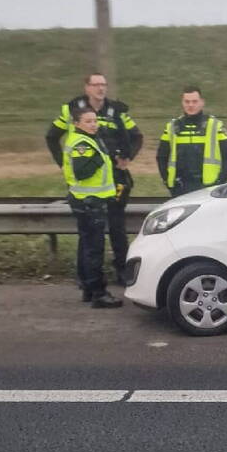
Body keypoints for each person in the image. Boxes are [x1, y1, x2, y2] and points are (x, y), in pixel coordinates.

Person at [46, 73, 143, 284]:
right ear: (87, 87)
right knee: (88, 230)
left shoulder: (116, 110)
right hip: (85, 180)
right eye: (96, 85)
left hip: (114, 178)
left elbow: (137, 136)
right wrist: (63, 163)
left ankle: (121, 271)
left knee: (117, 225)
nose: (100, 89)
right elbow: (51, 136)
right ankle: (85, 276)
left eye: (103, 85)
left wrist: (127, 157)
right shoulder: (71, 109)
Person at [63, 106, 123, 309]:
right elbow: (82, 172)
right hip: (89, 202)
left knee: (86, 246)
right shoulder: (82, 143)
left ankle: (88, 289)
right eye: (88, 121)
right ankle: (99, 293)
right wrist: (99, 157)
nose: (93, 124)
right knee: (94, 249)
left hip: (87, 200)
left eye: (95, 120)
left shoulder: (89, 140)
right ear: (77, 124)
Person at [157, 85, 227, 196]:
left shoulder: (215, 126)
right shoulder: (172, 126)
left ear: (202, 102)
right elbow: (161, 157)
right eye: (187, 101)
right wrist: (168, 182)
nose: (191, 105)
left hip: (209, 187)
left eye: (194, 101)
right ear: (182, 103)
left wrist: (220, 182)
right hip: (180, 187)